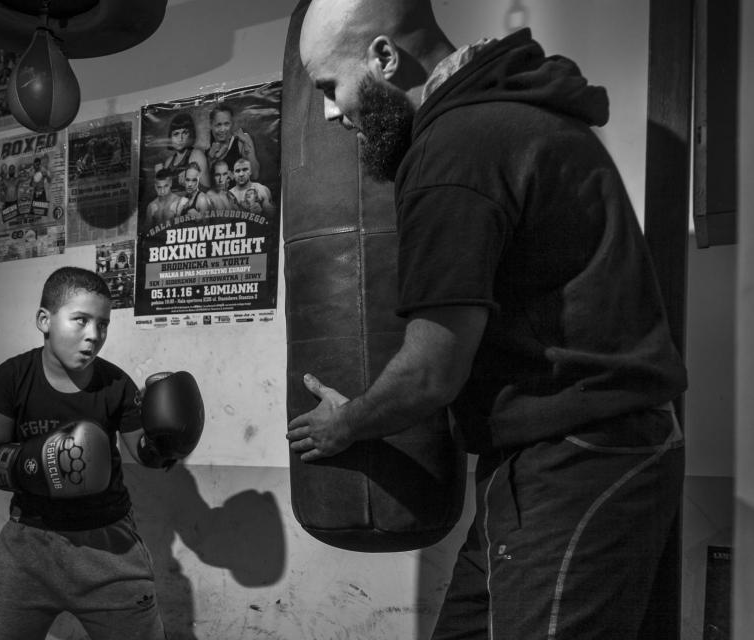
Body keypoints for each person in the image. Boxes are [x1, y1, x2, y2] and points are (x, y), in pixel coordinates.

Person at [285, 2, 688, 639]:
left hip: (574, 457)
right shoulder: (510, 114)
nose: (333, 113)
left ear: (384, 57)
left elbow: (431, 372)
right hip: (553, 452)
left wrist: (346, 423)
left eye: (333, 86)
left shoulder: (454, 149)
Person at [0, 266, 203, 640]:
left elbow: (141, 451)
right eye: (80, 320)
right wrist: (33, 464)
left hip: (109, 547)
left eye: (103, 324)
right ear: (45, 320)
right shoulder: (11, 377)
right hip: (28, 544)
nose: (93, 335)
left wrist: (163, 442)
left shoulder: (116, 383)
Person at [154, 111, 210, 191]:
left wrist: (190, 182)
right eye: (176, 134)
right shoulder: (168, 162)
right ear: (170, 137)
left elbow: (207, 191)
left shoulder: (197, 155)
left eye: (184, 133)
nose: (180, 139)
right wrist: (158, 178)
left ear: (190, 134)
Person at [206, 102, 261, 182]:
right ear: (211, 125)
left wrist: (246, 143)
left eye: (226, 124)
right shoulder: (208, 150)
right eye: (218, 125)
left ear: (232, 123)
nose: (222, 129)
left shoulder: (240, 142)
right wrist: (210, 160)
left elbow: (255, 175)